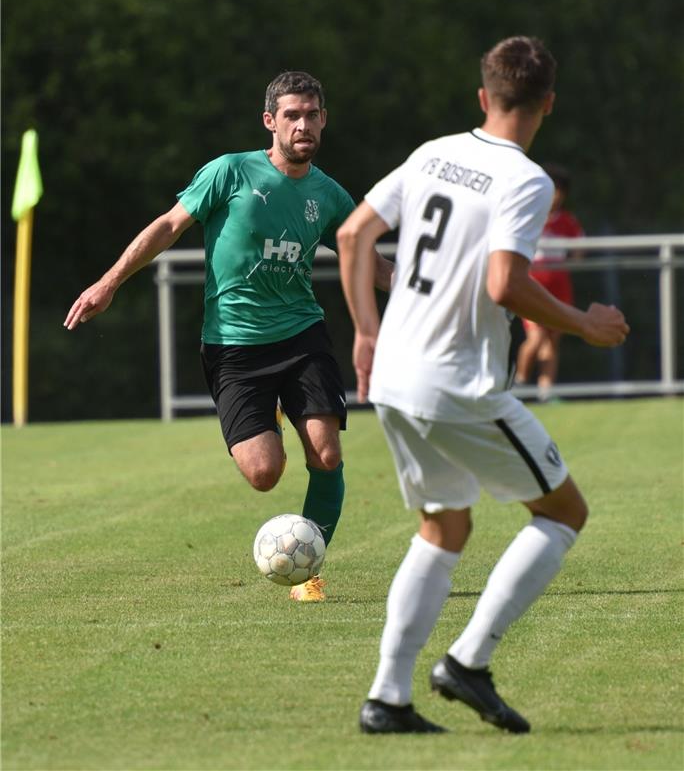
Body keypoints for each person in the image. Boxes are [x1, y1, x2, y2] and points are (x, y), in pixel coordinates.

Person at [337, 36, 629, 733]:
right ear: (547, 104)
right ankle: (467, 662)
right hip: (456, 381)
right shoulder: (525, 180)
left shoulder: (434, 152)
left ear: (482, 96)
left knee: (443, 526)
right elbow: (505, 283)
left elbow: (353, 237)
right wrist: (583, 324)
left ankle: (387, 700)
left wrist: (366, 330)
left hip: (397, 376)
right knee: (563, 512)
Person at [64, 71, 393, 603]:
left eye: (311, 114)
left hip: (301, 335)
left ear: (323, 120)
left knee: (326, 454)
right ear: (271, 122)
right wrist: (109, 282)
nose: (302, 124)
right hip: (233, 346)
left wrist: (424, 293)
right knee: (265, 473)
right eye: (292, 115)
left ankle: (309, 572)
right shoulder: (229, 172)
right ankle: (274, 419)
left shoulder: (329, 195)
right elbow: (169, 226)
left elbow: (368, 261)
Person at [515, 163, 585, 399]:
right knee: (535, 338)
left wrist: (571, 261)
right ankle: (520, 384)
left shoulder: (567, 221)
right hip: (532, 286)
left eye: (559, 191)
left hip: (559, 287)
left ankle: (547, 392)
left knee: (552, 341)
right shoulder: (529, 217)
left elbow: (578, 250)